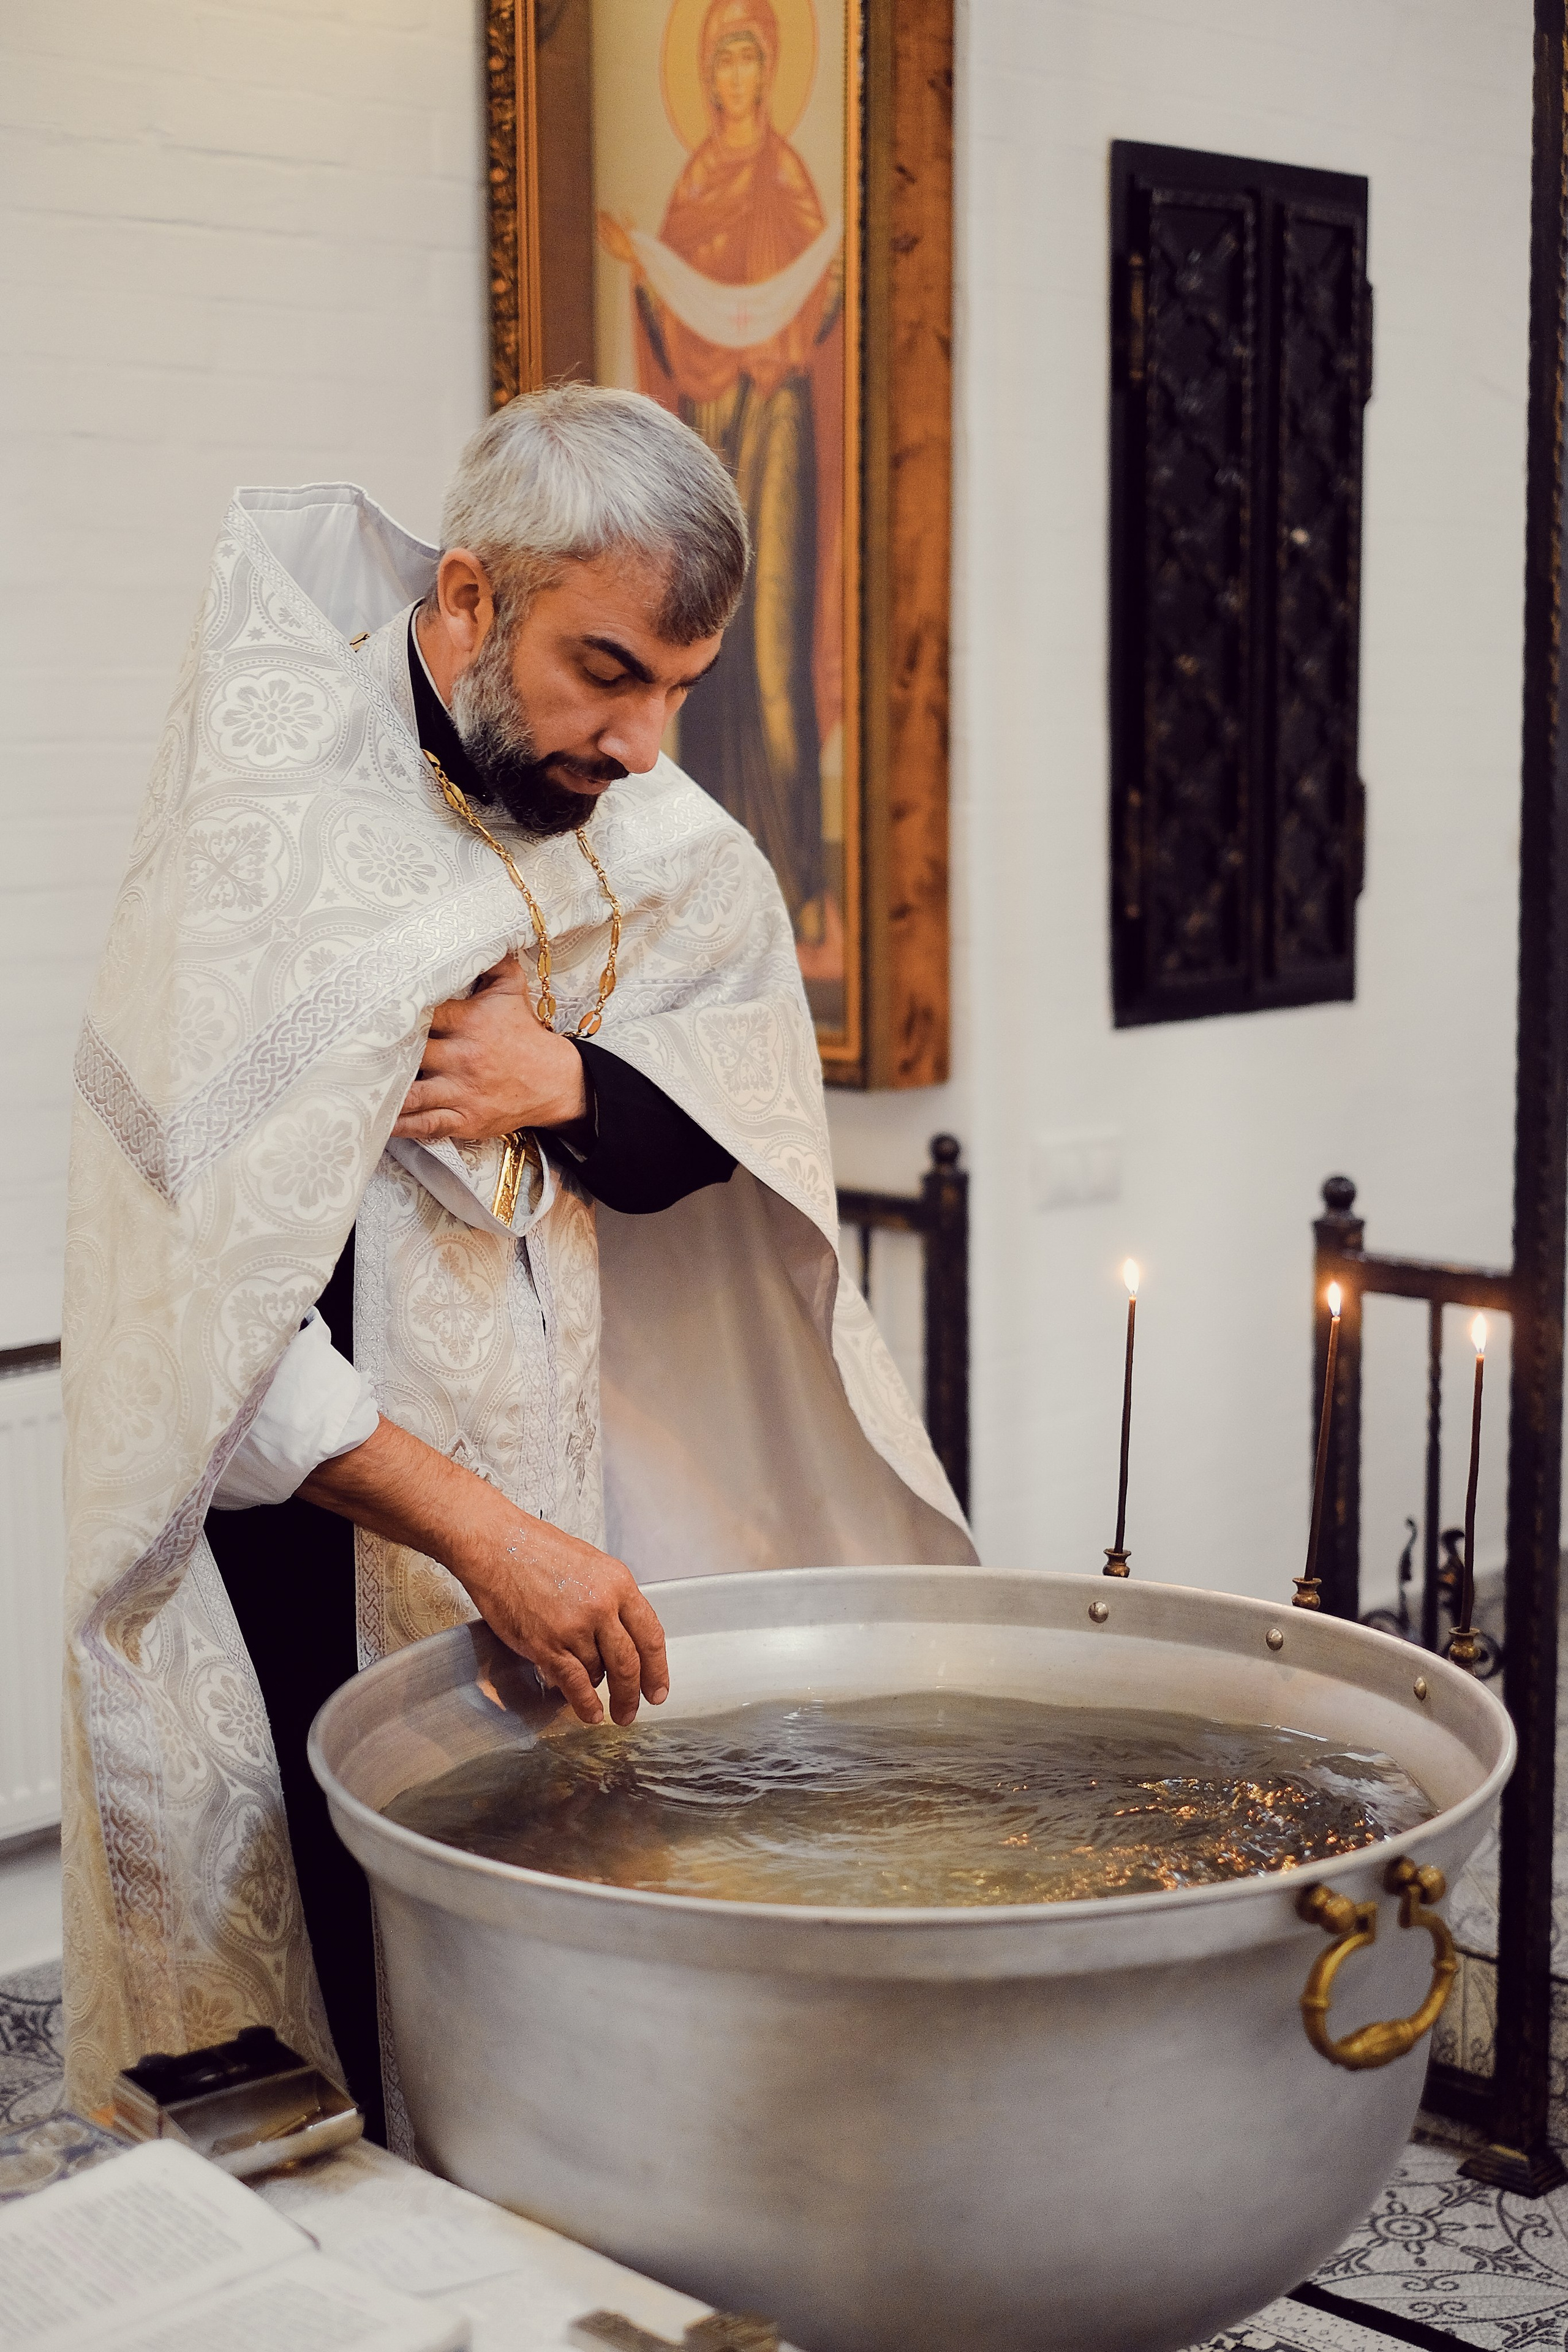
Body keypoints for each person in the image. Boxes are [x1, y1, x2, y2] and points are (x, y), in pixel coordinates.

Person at [61, 385, 972, 2145]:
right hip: (291, 1563)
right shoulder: (267, 844)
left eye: (681, 692)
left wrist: (573, 1079)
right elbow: (203, 1321)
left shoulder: (641, 826)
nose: (644, 746)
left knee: (534, 2023)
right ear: (471, 599)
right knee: (333, 2045)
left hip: (550, 1492)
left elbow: (732, 1091)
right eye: (609, 672)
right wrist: (481, 1533)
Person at [599, 0, 845, 967]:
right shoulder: (693, 186)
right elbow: (677, 321)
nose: (737, 77)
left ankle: (805, 892)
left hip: (777, 422)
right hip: (706, 426)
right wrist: (644, 275)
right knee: (708, 670)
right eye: (726, 60)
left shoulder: (788, 183)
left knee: (774, 656)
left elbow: (815, 313)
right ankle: (709, 890)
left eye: (753, 59)